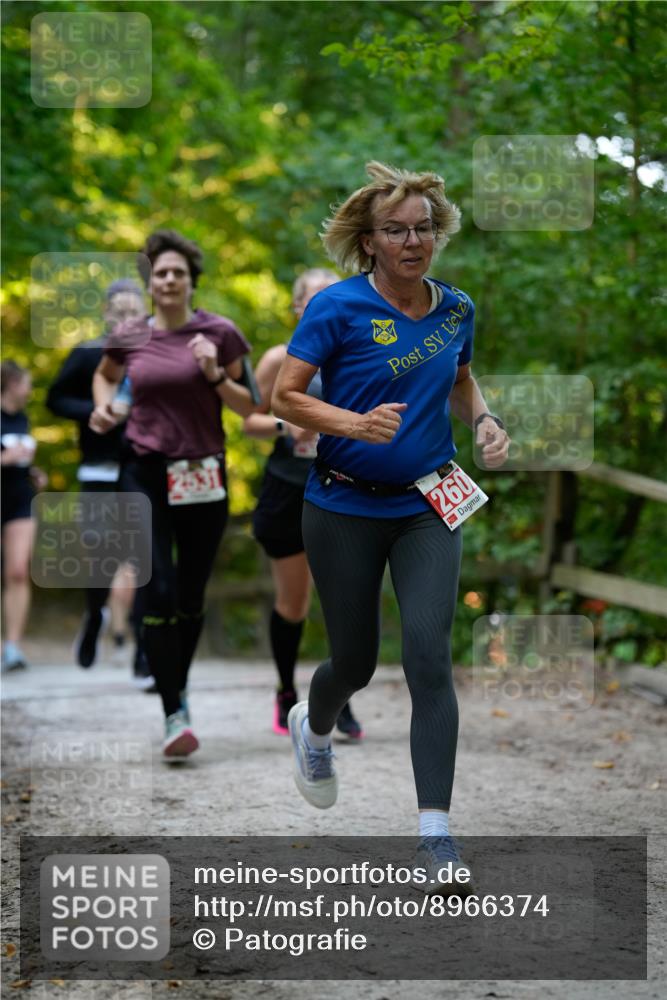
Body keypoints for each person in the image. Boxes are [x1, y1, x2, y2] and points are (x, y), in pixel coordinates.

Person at [272, 162, 510, 892]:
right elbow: (286, 395)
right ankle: (314, 731)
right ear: (368, 242)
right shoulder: (336, 309)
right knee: (354, 663)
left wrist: (487, 420)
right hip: (341, 504)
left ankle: (434, 832)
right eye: (395, 231)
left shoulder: (455, 310)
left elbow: (463, 381)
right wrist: (353, 423)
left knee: (428, 655)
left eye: (423, 229)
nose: (412, 241)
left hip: (426, 503)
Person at [90, 230, 257, 759]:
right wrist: (103, 408)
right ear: (150, 282)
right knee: (157, 588)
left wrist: (212, 373)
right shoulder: (130, 334)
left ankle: (176, 690)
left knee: (189, 595)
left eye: (177, 273)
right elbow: (104, 375)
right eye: (160, 273)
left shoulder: (220, 332)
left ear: (191, 281)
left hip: (202, 474)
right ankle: (172, 711)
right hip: (144, 471)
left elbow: (249, 406)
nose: (168, 280)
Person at [243, 269, 363, 739]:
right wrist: (283, 426)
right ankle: (287, 691)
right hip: (287, 490)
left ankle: (340, 699)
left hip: (342, 486)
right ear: (297, 308)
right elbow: (247, 420)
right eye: (314, 300)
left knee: (345, 599)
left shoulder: (356, 357)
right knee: (294, 602)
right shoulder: (278, 358)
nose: (324, 307)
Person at [47, 279, 151, 683]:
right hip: (97, 467)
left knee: (143, 557)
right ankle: (94, 617)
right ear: (107, 315)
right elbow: (54, 399)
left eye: (134, 312)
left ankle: (143, 649)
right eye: (119, 312)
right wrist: (96, 407)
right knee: (101, 557)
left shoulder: (153, 355)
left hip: (139, 466)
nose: (127, 319)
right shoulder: (89, 352)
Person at [1, 361, 47, 672]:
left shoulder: (24, 419)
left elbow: (18, 459)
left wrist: (32, 471)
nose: (30, 390)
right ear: (12, 384)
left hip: (20, 497)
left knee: (18, 571)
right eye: (27, 383)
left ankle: (13, 647)